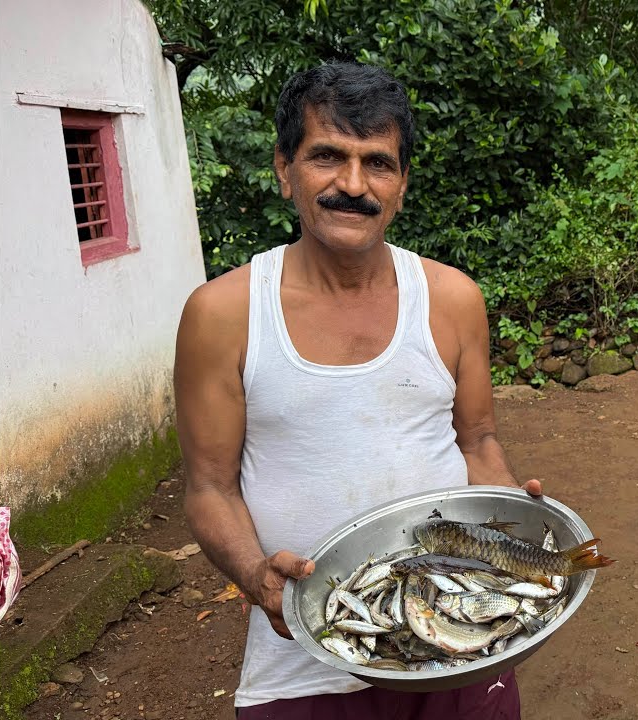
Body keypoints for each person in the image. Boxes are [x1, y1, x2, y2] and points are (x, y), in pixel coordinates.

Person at [174, 62, 539, 719]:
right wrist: (258, 577)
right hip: (302, 668)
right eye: (327, 157)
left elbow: (478, 442)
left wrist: (515, 517)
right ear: (284, 168)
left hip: (459, 646)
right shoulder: (223, 314)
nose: (353, 185)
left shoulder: (452, 299)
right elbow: (209, 487)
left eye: (378, 162)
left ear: (402, 184)